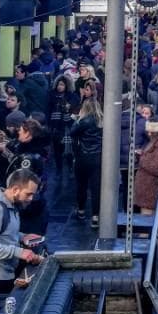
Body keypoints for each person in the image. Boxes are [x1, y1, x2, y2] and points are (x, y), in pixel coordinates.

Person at [70, 97, 104, 226]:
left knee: (81, 186)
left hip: (83, 157)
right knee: (96, 188)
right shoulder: (102, 121)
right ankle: (95, 216)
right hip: (97, 157)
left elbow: (73, 133)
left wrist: (76, 119)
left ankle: (81, 210)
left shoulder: (83, 121)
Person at [47, 75, 79, 171]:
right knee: (57, 149)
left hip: (67, 126)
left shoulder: (72, 96)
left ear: (67, 86)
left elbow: (75, 109)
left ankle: (70, 168)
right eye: (58, 84)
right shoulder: (51, 95)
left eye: (62, 85)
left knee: (69, 149)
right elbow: (48, 110)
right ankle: (59, 168)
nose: (59, 87)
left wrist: (68, 107)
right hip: (56, 126)